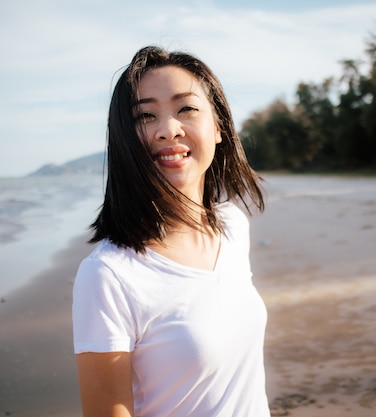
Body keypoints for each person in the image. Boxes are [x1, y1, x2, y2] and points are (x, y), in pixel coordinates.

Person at [72, 45, 269, 417]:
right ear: (125, 140)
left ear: (218, 128)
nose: (168, 130)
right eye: (145, 116)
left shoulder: (231, 226)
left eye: (187, 108)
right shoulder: (109, 275)